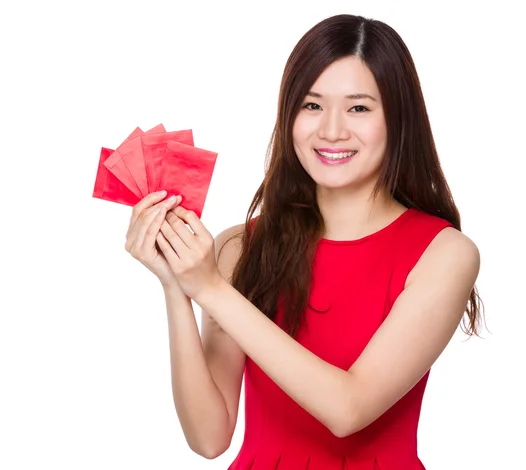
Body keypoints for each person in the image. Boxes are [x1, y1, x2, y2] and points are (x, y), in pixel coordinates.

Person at [124, 13, 484, 470]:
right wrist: (177, 285)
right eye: (311, 106)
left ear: (397, 119)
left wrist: (211, 289)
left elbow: (348, 410)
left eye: (359, 107)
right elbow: (210, 438)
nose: (331, 130)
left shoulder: (444, 253)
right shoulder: (238, 247)